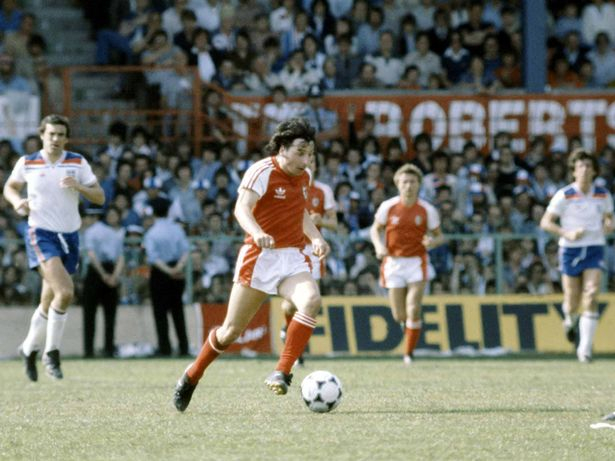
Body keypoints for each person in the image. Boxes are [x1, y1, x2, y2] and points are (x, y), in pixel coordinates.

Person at [173, 118, 330, 412]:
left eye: (310, 154)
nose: (306, 160)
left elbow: (300, 213)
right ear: (282, 149)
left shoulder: (304, 176)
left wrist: (316, 237)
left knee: (311, 301)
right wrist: (257, 232)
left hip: (292, 256)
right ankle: (192, 374)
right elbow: (241, 208)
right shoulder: (262, 171)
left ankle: (282, 371)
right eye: (300, 152)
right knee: (229, 332)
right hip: (260, 257)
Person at [3, 114, 105, 381]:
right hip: (40, 234)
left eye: (61, 134)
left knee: (48, 301)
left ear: (67, 138)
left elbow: (100, 197)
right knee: (66, 292)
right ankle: (51, 353)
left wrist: (79, 186)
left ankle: (28, 348)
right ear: (42, 135)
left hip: (69, 237)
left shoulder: (77, 162)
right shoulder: (28, 162)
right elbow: (10, 187)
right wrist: (16, 202)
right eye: (51, 134)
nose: (56, 139)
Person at [539, 149, 613, 363]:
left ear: (595, 170)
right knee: (572, 301)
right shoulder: (565, 194)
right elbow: (545, 222)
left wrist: (609, 224)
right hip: (570, 249)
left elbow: (609, 218)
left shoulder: (603, 194)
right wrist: (566, 233)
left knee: (591, 293)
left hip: (594, 247)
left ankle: (585, 350)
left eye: (588, 166)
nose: (585, 170)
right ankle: (570, 322)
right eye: (580, 166)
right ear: (573, 171)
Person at [369, 164, 444, 365]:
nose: (408, 186)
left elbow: (439, 236)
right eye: (404, 182)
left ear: (418, 184)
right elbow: (375, 229)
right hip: (393, 263)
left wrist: (432, 241)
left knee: (413, 308)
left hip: (417, 262)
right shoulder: (388, 206)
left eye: (412, 182)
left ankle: (408, 354)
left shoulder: (427, 209)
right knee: (399, 314)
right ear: (397, 184)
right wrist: (378, 246)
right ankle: (409, 330)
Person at [279, 150, 337, 366]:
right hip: (291, 248)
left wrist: (321, 221)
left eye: (312, 160)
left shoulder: (323, 190)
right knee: (289, 306)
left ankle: (296, 352)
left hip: (313, 251)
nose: (308, 163)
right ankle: (288, 329)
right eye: (306, 158)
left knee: (309, 302)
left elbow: (334, 223)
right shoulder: (287, 185)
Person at [143, 196, 190, 357]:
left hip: (160, 273)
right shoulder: (177, 229)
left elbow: (153, 257)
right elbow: (185, 251)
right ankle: (184, 347)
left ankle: (165, 348)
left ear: (154, 213)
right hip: (177, 269)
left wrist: (168, 271)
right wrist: (178, 268)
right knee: (178, 311)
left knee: (160, 312)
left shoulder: (151, 232)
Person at [82, 206, 125, 358]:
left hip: (95, 273)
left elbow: (91, 255)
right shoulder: (114, 233)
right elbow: (121, 257)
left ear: (94, 217)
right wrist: (114, 276)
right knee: (110, 316)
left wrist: (103, 274)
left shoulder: (90, 232)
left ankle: (89, 350)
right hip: (111, 270)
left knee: (89, 315)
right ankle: (109, 348)